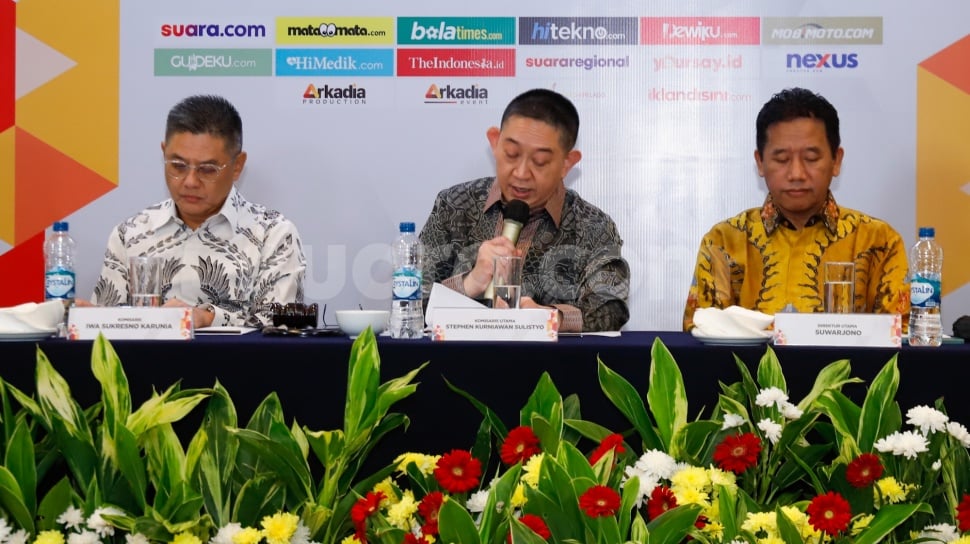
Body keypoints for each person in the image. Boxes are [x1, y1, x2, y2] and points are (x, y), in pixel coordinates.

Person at [683, 87, 909, 330]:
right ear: (760, 162)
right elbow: (700, 332)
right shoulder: (724, 241)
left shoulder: (878, 241)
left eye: (811, 158)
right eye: (781, 159)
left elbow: (901, 336)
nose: (797, 174)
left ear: (836, 160)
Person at [420, 88, 630, 332]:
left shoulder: (592, 225)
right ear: (495, 142)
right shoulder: (455, 205)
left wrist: (550, 318)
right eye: (511, 154)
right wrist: (469, 283)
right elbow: (410, 302)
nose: (521, 173)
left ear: (567, 163)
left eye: (540, 162)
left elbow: (610, 308)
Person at [89, 95, 306, 328]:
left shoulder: (272, 235)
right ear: (164, 153)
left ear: (237, 166)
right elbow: (104, 335)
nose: (190, 181)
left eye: (207, 169)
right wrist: (88, 319)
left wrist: (208, 318)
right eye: (178, 166)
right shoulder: (130, 234)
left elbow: (283, 324)